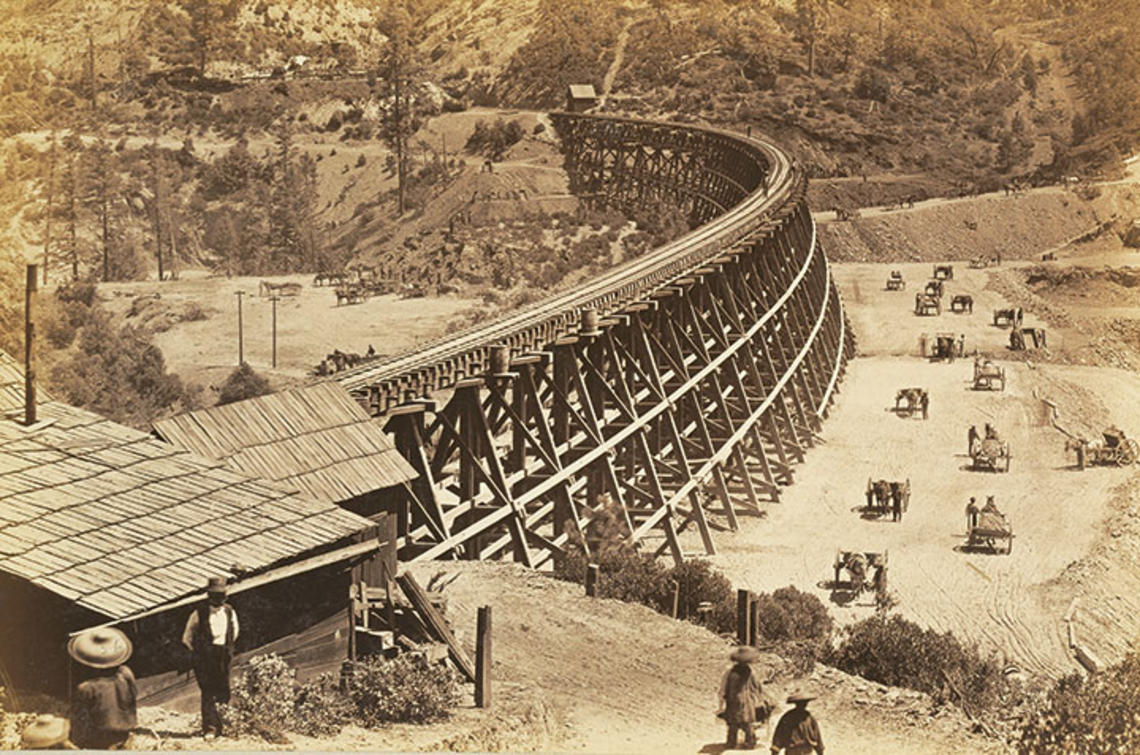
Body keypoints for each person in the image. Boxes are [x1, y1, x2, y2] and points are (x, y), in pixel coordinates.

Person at [182, 576, 239, 738]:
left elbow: (234, 633)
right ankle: (210, 728)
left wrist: (225, 648)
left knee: (224, 689)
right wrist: (200, 652)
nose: (219, 599)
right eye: (215, 595)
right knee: (208, 691)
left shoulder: (229, 611)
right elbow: (186, 637)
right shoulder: (198, 613)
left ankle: (222, 725)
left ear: (225, 596)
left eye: (222, 595)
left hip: (223, 655)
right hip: (205, 658)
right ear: (209, 595)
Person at [68, 627, 137, 750]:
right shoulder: (126, 673)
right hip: (125, 732)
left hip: (100, 740)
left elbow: (80, 723)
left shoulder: (87, 688)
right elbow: (132, 701)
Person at [719, 646, 769, 750]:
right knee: (747, 722)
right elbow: (757, 686)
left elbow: (723, 687)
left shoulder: (730, 672)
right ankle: (749, 742)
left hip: (732, 700)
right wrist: (761, 698)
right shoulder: (749, 672)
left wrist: (721, 701)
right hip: (746, 700)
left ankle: (731, 742)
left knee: (733, 723)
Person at [771, 690, 824, 754]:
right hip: (793, 751)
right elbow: (779, 735)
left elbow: (817, 736)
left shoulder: (809, 718)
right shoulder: (788, 717)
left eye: (805, 703)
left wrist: (820, 750)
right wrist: (775, 750)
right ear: (796, 704)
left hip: (807, 751)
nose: (804, 705)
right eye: (801, 703)